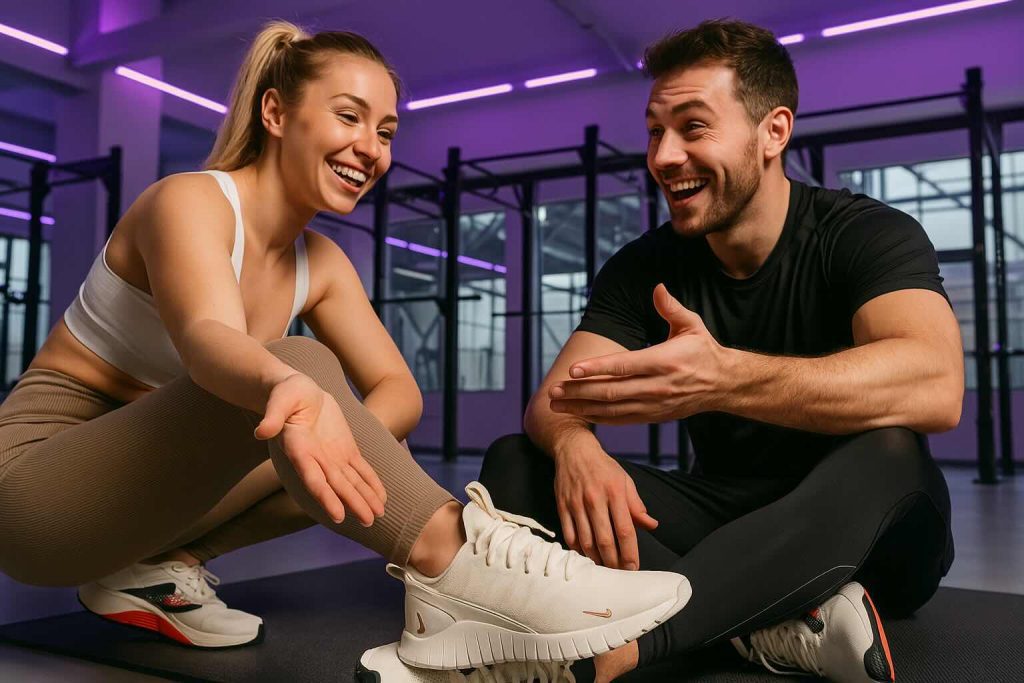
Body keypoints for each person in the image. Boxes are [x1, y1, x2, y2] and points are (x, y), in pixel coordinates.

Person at [0, 20, 691, 677]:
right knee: (303, 371)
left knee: (326, 426)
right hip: (34, 492)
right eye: (350, 116)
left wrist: (322, 426)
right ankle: (454, 563)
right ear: (275, 113)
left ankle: (161, 562)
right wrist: (293, 389)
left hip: (145, 503)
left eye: (386, 131)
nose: (373, 149)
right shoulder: (189, 202)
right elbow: (210, 341)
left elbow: (400, 393)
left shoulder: (321, 261)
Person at [478, 19, 960, 683]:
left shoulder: (864, 234)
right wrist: (575, 448)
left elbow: (936, 385)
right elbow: (555, 400)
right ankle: (767, 620)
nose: (663, 156)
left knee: (892, 451)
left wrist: (723, 378)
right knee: (517, 462)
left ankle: (632, 646)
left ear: (774, 132)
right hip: (726, 521)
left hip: (868, 531)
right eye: (654, 131)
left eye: (693, 127)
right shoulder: (645, 264)